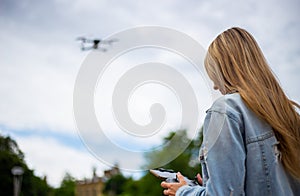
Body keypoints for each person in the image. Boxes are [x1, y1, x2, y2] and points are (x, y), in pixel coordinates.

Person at [161, 27, 300, 195]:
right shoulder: (292, 113)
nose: (215, 86)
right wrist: (211, 185)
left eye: (214, 77)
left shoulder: (226, 110)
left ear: (225, 71)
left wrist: (183, 191)